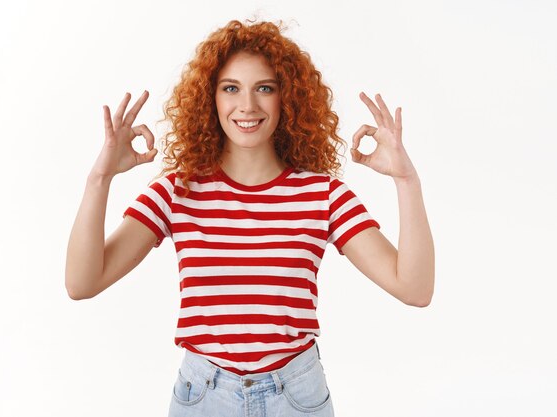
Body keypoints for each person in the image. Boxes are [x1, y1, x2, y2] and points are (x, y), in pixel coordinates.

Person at [65, 18, 434, 417]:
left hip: (297, 397)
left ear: (287, 98)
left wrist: (406, 180)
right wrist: (99, 178)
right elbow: (82, 283)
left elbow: (414, 289)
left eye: (264, 88)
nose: (247, 105)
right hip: (203, 399)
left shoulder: (323, 195)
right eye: (231, 88)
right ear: (211, 99)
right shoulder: (177, 191)